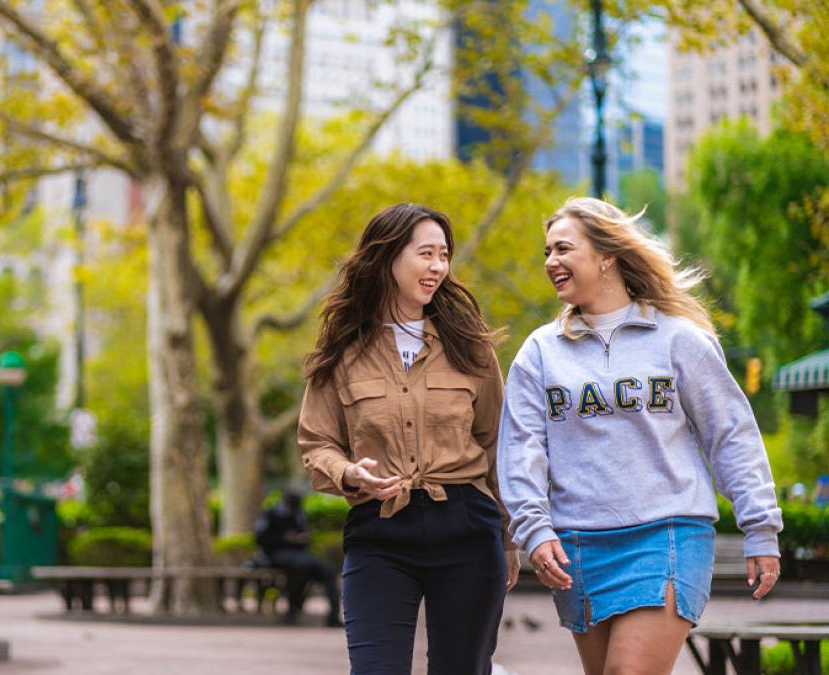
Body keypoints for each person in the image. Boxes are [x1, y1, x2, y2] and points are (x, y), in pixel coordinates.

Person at [498, 197, 783, 675]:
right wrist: (534, 528)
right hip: (578, 546)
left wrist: (761, 527)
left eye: (563, 248)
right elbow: (521, 450)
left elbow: (730, 434)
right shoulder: (540, 353)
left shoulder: (678, 339)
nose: (550, 262)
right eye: (546, 252)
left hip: (666, 534)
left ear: (606, 254)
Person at [298, 203, 519, 675]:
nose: (438, 266)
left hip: (467, 529)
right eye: (426, 254)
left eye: (444, 255)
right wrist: (349, 473)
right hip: (379, 532)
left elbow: (498, 443)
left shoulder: (469, 345)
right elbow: (316, 444)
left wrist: (509, 538)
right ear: (388, 257)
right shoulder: (340, 350)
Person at [254, 489, 342, 627]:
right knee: (301, 567)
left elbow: (306, 535)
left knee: (328, 570)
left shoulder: (298, 514)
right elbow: (260, 539)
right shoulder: (270, 515)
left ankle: (333, 617)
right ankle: (293, 610)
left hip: (301, 555)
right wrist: (285, 538)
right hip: (277, 554)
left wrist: (302, 538)